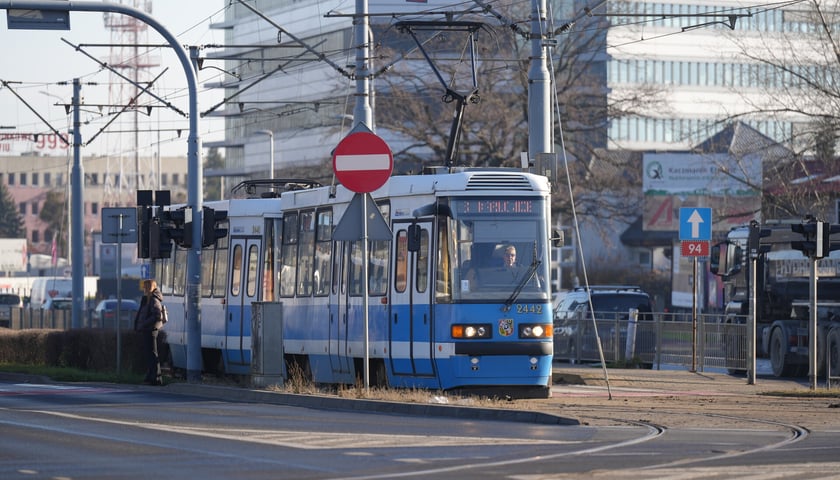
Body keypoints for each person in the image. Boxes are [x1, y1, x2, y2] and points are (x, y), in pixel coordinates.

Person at [134, 279, 164, 385]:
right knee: (149, 354)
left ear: (150, 287)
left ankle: (156, 378)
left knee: (152, 354)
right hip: (146, 329)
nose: (144, 289)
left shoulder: (154, 300)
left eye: (146, 287)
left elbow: (156, 315)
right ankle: (151, 376)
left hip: (150, 330)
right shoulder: (147, 299)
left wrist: (144, 323)